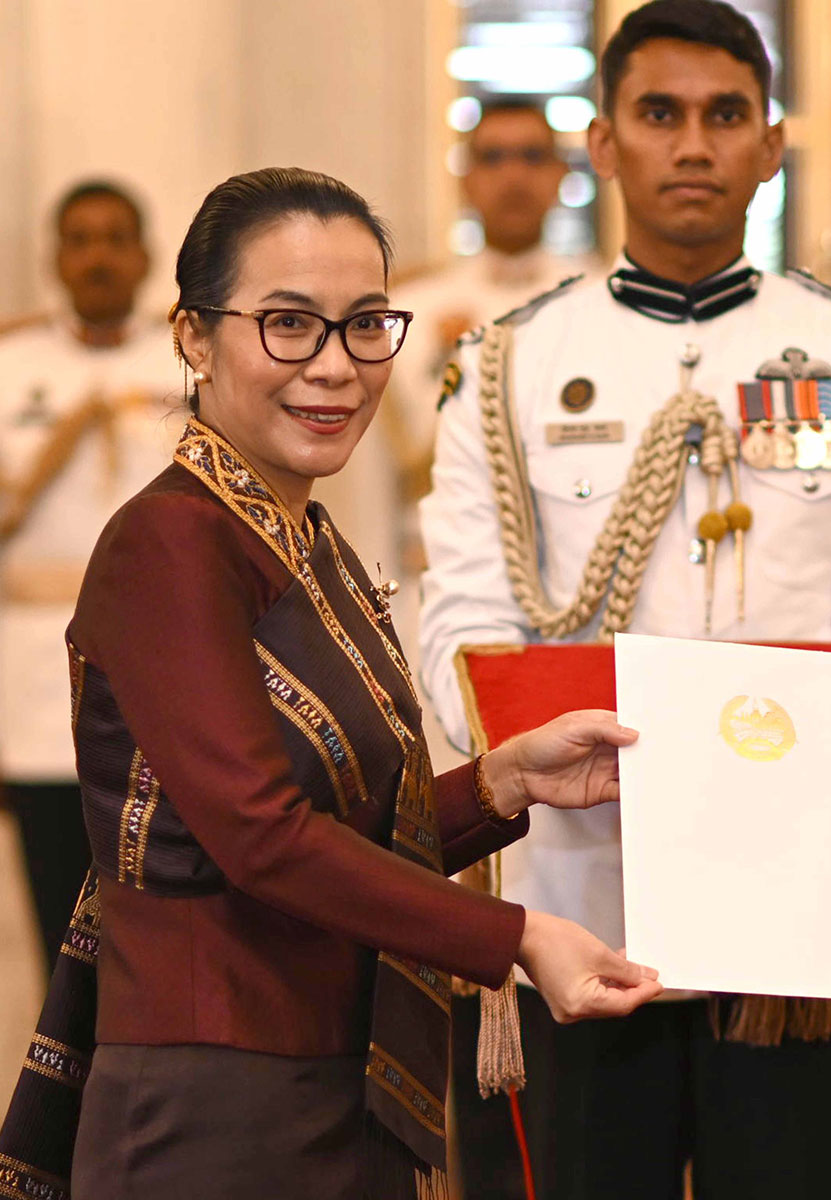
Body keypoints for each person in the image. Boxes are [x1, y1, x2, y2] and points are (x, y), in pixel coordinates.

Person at [0, 167, 661, 1200]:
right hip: (210, 1104)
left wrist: (501, 786)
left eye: (365, 326)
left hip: (315, 1081)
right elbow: (261, 837)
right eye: (288, 325)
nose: (337, 367)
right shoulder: (173, 540)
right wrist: (518, 935)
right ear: (192, 337)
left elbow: (340, 837)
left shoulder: (299, 537)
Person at [418, 2, 831, 1196]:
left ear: (771, 143)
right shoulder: (506, 365)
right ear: (604, 143)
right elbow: (459, 625)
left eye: (725, 117)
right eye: (659, 115)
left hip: (797, 910)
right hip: (579, 896)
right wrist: (541, 735)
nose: (693, 145)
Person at [0, 179, 182, 972]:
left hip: (164, 677)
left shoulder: (187, 364)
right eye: (81, 239)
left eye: (116, 238)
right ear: (56, 258)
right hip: (36, 687)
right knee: (56, 928)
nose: (99, 256)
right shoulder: (11, 366)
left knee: (162, 925)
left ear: (144, 256)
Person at [377, 97, 594, 506]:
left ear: (560, 174)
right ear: (466, 179)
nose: (514, 176)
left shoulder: (597, 300)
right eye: (493, 158)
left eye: (532, 156)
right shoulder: (407, 308)